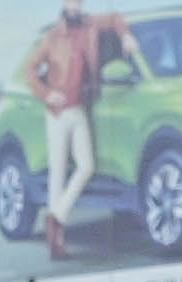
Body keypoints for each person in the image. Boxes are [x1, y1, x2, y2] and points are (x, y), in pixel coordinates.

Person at [28, 5, 134, 254]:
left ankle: (56, 216)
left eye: (79, 1)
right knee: (57, 174)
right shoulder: (52, 37)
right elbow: (30, 70)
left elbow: (115, 18)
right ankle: (56, 243)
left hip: (78, 110)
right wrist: (46, 94)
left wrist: (126, 35)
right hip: (57, 113)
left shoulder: (90, 24)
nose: (76, 4)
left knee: (87, 166)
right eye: (72, 1)